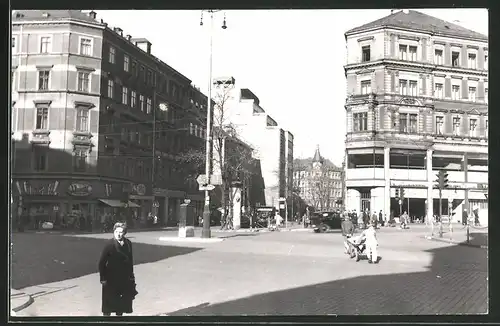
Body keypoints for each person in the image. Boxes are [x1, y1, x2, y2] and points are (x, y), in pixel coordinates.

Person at [98, 222, 137, 316]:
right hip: (110, 278)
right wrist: (102, 278)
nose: (118, 234)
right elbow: (101, 263)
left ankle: (119, 320)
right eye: (116, 232)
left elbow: (130, 260)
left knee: (121, 304)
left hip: (123, 277)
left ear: (124, 233)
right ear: (114, 232)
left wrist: (131, 275)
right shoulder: (109, 244)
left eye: (121, 232)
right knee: (108, 303)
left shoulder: (128, 243)